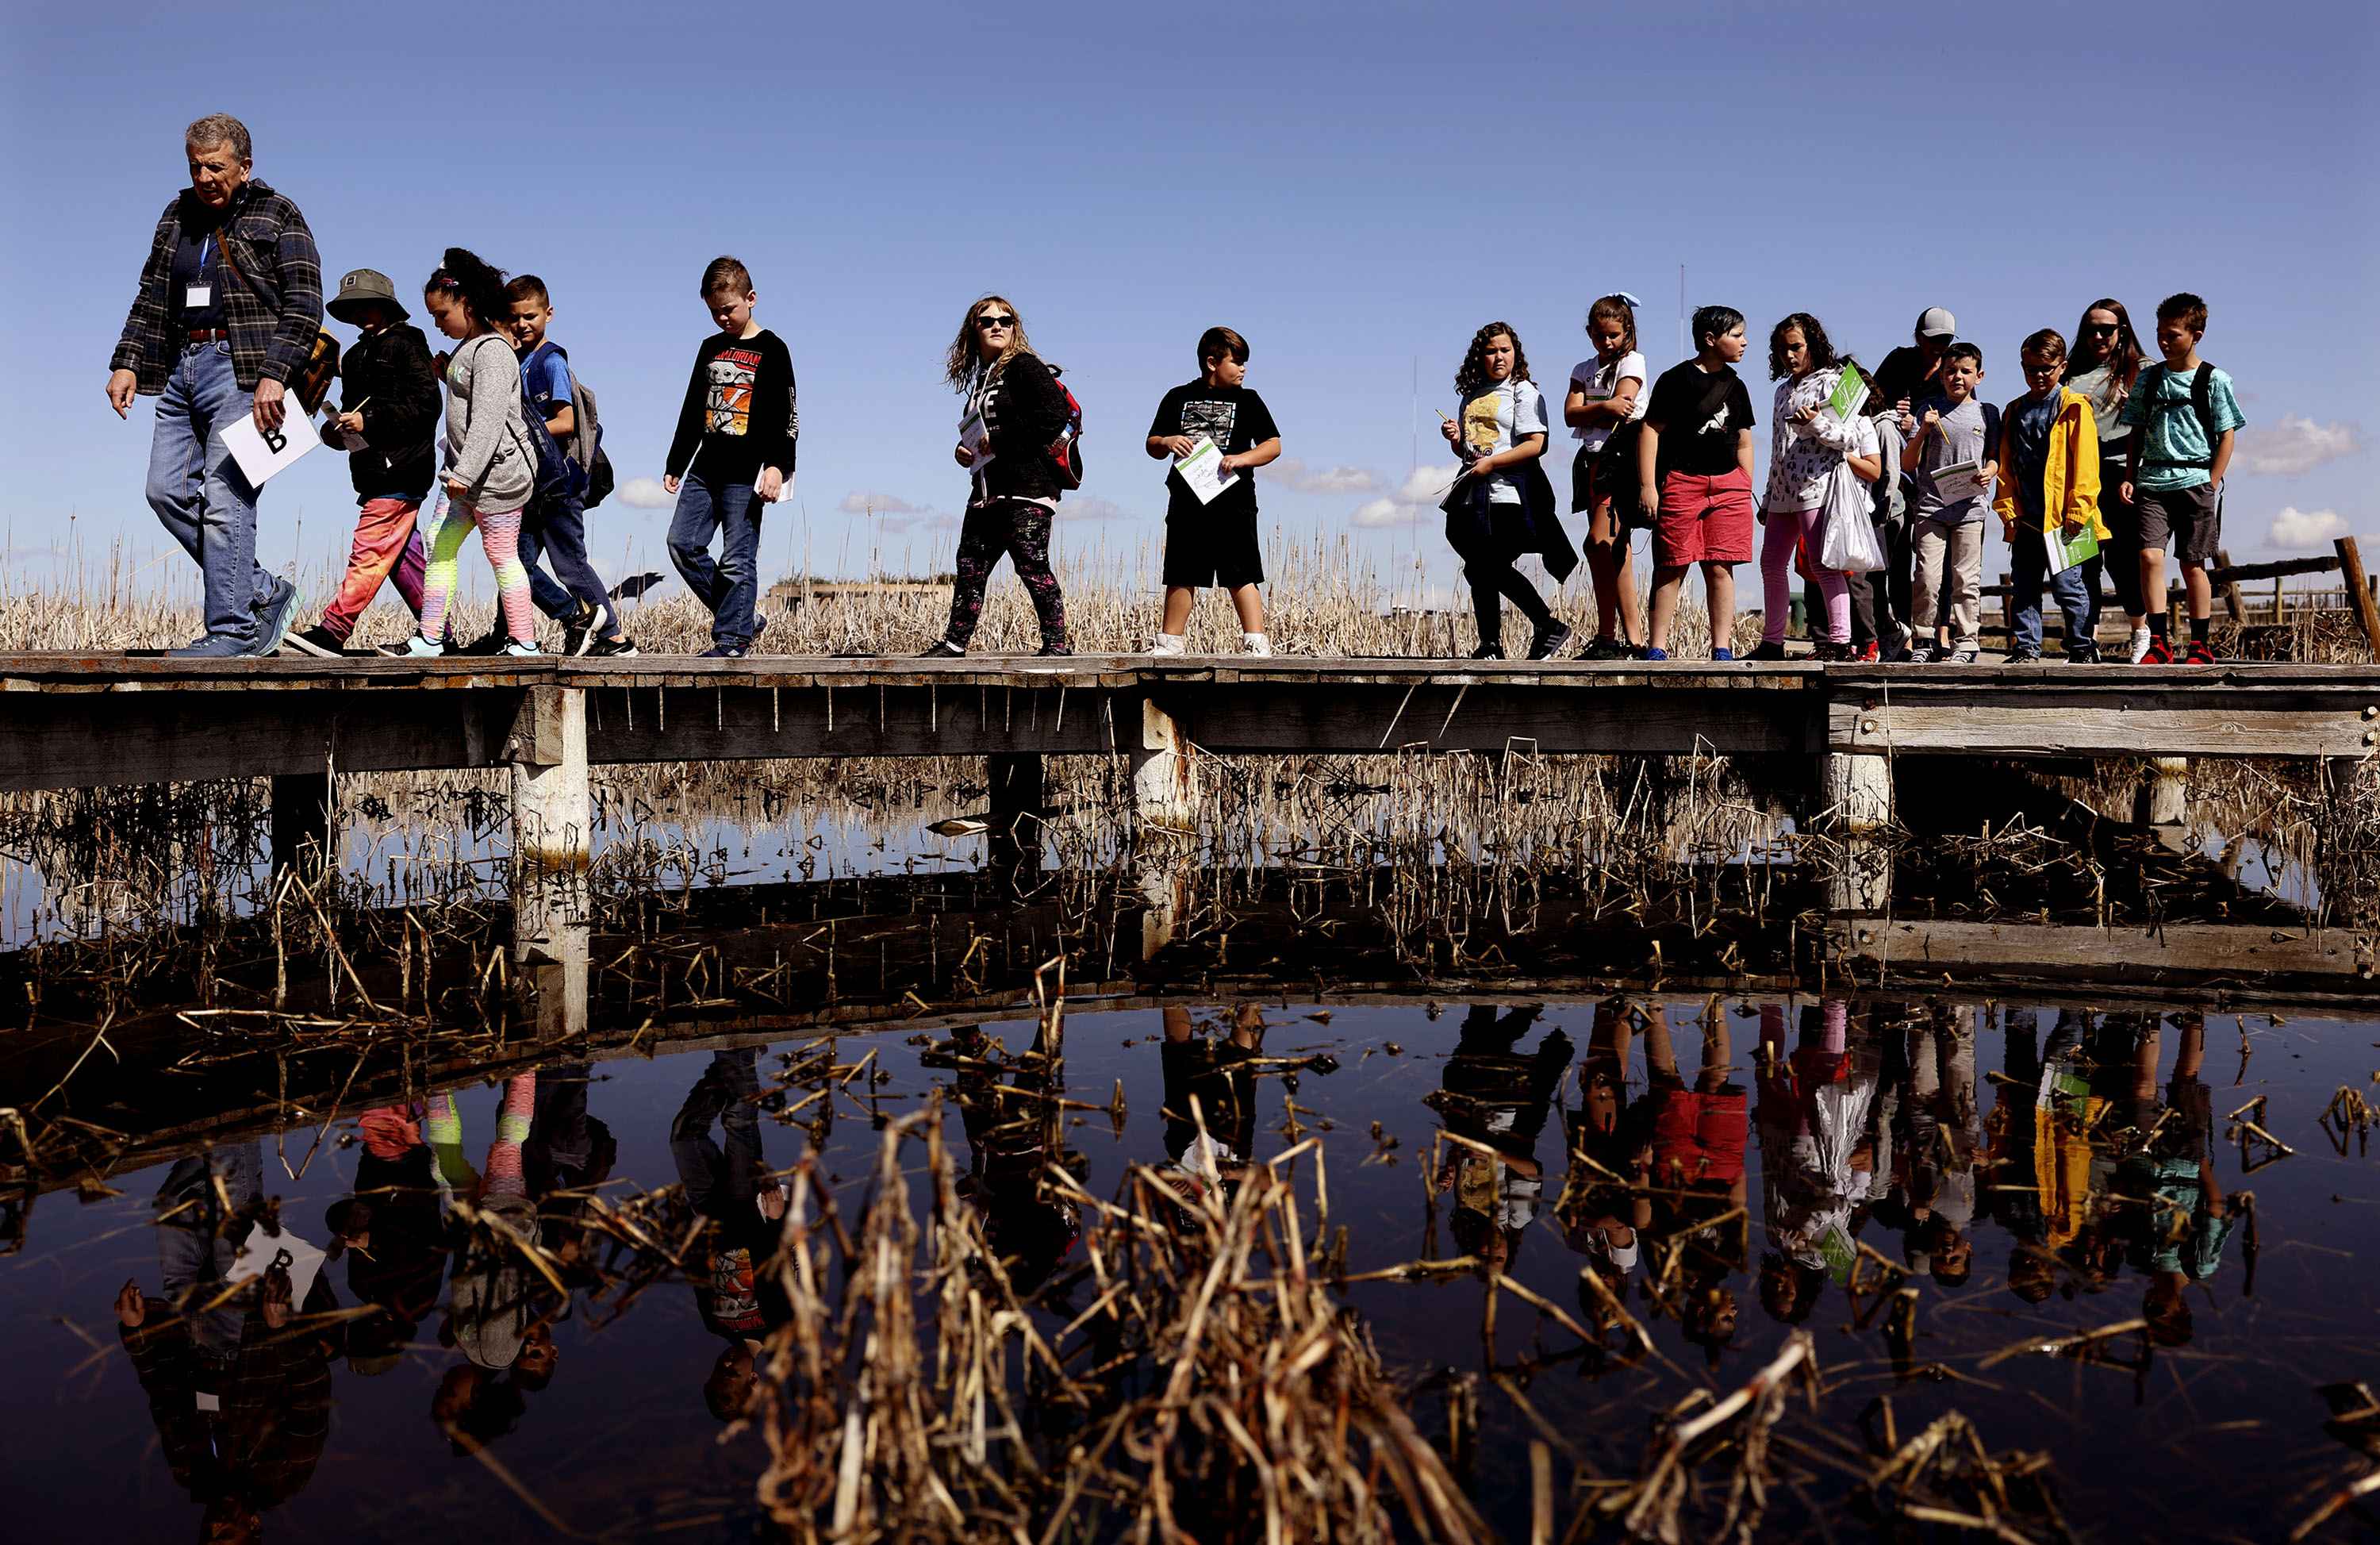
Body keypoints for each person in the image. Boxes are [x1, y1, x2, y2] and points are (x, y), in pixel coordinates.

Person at [106, 113, 313, 658]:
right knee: (164, 491)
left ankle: (232, 629)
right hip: (181, 365)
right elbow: (152, 295)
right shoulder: (175, 215)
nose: (204, 176)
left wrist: (276, 373)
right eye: (196, 166)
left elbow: (305, 305)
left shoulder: (279, 213)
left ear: (245, 166)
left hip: (244, 367)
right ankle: (262, 591)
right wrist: (127, 361)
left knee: (227, 498)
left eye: (216, 166)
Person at [282, 268, 445, 657]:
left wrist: (367, 421)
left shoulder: (409, 346)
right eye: (350, 308)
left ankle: (332, 632)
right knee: (404, 558)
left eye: (365, 304)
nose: (357, 313)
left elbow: (427, 407)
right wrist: (334, 434)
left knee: (370, 550)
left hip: (404, 467)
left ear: (386, 305)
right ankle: (440, 634)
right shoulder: (353, 358)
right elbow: (351, 415)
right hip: (371, 469)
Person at [388, 250, 540, 659]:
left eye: (441, 315)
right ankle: (431, 638)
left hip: (497, 478)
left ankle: (524, 641)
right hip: (468, 478)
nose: (437, 324)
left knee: (501, 554)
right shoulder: (468, 350)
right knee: (439, 541)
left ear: (467, 305)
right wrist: (446, 376)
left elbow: (489, 421)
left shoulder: (491, 351)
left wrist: (465, 472)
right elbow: (467, 398)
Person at [921, 296, 1075, 658]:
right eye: (987, 320)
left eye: (1006, 320)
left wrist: (1002, 439)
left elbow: (1053, 415)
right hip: (985, 493)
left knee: (1032, 566)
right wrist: (964, 451)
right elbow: (981, 434)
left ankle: (1057, 645)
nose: (997, 326)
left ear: (1014, 328)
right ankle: (955, 644)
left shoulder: (1024, 367)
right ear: (972, 330)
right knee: (970, 567)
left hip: (1026, 491)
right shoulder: (982, 379)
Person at [664, 257, 798, 659]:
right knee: (681, 544)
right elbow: (692, 408)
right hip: (705, 469)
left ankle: (732, 640)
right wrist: (676, 462)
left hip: (748, 473)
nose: (722, 317)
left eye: (729, 309)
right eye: (714, 311)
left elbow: (787, 416)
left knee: (737, 559)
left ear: (751, 298)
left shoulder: (773, 349)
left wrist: (778, 465)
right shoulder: (710, 348)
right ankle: (744, 618)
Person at [506, 275, 638, 656]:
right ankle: (549, 626)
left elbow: (566, 422)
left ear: (548, 314)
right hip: (535, 485)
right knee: (514, 563)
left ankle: (613, 637)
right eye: (514, 318)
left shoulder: (552, 363)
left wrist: (520, 435)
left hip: (562, 482)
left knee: (569, 563)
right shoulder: (517, 361)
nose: (522, 325)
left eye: (530, 316)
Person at [2120, 294, 2245, 666]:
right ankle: (2159, 642)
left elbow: (2228, 435)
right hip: (2152, 481)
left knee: (2193, 565)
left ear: (2196, 335)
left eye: (2172, 335)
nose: (2163, 342)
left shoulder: (2215, 379)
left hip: (2194, 481)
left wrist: (2211, 481)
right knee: (2148, 557)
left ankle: (2199, 645)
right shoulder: (2149, 377)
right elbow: (2136, 431)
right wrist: (2130, 476)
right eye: (2159, 333)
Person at [1439, 322, 1576, 659]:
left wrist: (1494, 463)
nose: (1499, 357)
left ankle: (1542, 626)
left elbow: (1536, 445)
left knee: (1486, 566)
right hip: (1470, 494)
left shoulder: (1523, 392)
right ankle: (1494, 643)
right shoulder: (1471, 396)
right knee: (1477, 565)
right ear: (1479, 357)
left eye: (1505, 350)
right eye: (1491, 351)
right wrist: (1456, 439)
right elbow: (1469, 452)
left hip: (1509, 496)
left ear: (1516, 353)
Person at [1750, 313, 1882, 662]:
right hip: (1782, 493)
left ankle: (1841, 643)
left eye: (1795, 347)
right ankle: (1773, 641)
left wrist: (1818, 423)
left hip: (1817, 487)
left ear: (1813, 344)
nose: (1788, 356)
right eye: (1781, 349)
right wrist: (1767, 497)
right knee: (1771, 564)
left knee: (1826, 566)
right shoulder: (1782, 391)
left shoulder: (1834, 382)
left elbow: (1851, 437)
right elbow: (1778, 448)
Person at [1144, 326, 1283, 656]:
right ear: (1211, 362)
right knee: (1181, 570)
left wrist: (1242, 458)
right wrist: (1166, 441)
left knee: (1242, 570)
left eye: (1244, 362)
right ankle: (1170, 642)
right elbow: (1152, 444)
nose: (1243, 369)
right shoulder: (1177, 397)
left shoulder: (1249, 400)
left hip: (1235, 502)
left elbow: (1273, 445)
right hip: (1187, 501)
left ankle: (1256, 642)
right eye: (1236, 362)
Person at [1638, 306, 1756, 661]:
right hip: (1682, 481)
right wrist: (1648, 486)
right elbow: (1650, 430)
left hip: (1729, 485)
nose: (1744, 342)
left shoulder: (1737, 387)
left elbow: (1745, 439)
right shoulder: (1675, 380)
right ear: (1710, 339)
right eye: (1736, 335)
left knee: (1721, 565)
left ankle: (1722, 648)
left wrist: (1745, 483)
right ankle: (1656, 647)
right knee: (1672, 564)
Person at [1996, 331, 2112, 663]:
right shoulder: (2014, 410)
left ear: (2062, 367)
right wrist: (2007, 507)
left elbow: (2088, 465)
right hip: (2027, 519)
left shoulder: (2074, 407)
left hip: (2067, 520)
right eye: (2031, 369)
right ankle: (2026, 648)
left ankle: (2081, 646)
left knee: (2069, 587)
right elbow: (2006, 464)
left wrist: (2079, 510)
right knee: (2025, 588)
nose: (2039, 376)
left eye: (2046, 369)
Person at [1856, 308, 1960, 661]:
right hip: (1899, 479)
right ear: (1918, 337)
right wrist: (1892, 412)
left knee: (1938, 561)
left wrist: (1916, 421)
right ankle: (1903, 634)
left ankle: (1941, 632)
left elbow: (1962, 411)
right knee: (1898, 556)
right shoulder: (1898, 361)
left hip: (1935, 477)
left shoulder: (1952, 367)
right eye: (1933, 339)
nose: (1939, 346)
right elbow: (1869, 405)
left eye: (1945, 340)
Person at [1902, 343, 2001, 663]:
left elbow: (1994, 458)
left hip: (1970, 509)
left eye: (1965, 371)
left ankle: (1967, 642)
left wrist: (1989, 472)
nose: (1957, 377)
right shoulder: (1927, 411)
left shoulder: (1987, 413)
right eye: (1950, 371)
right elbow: (1907, 463)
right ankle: (1924, 640)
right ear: (1941, 376)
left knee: (1966, 579)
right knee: (1927, 578)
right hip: (1931, 508)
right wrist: (1922, 432)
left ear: (1979, 376)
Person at [1564, 295, 1651, 659]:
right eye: (1599, 336)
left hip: (1620, 461)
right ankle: (1633, 641)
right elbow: (1570, 414)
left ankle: (1607, 637)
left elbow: (1625, 408)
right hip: (1591, 461)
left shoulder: (1633, 361)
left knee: (1597, 544)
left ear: (1627, 330)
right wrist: (1604, 407)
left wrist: (1592, 410)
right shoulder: (1584, 367)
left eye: (1614, 335)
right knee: (1617, 552)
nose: (1607, 343)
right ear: (1589, 333)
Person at [2063, 299, 2146, 656]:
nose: (2098, 335)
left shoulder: (2142, 369)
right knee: (2084, 561)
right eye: (2091, 329)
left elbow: (2164, 422)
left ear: (2122, 330)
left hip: (2122, 474)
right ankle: (2085, 640)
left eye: (2107, 329)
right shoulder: (2069, 373)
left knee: (2124, 558)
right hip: (2080, 477)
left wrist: (2139, 408)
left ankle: (2141, 634)